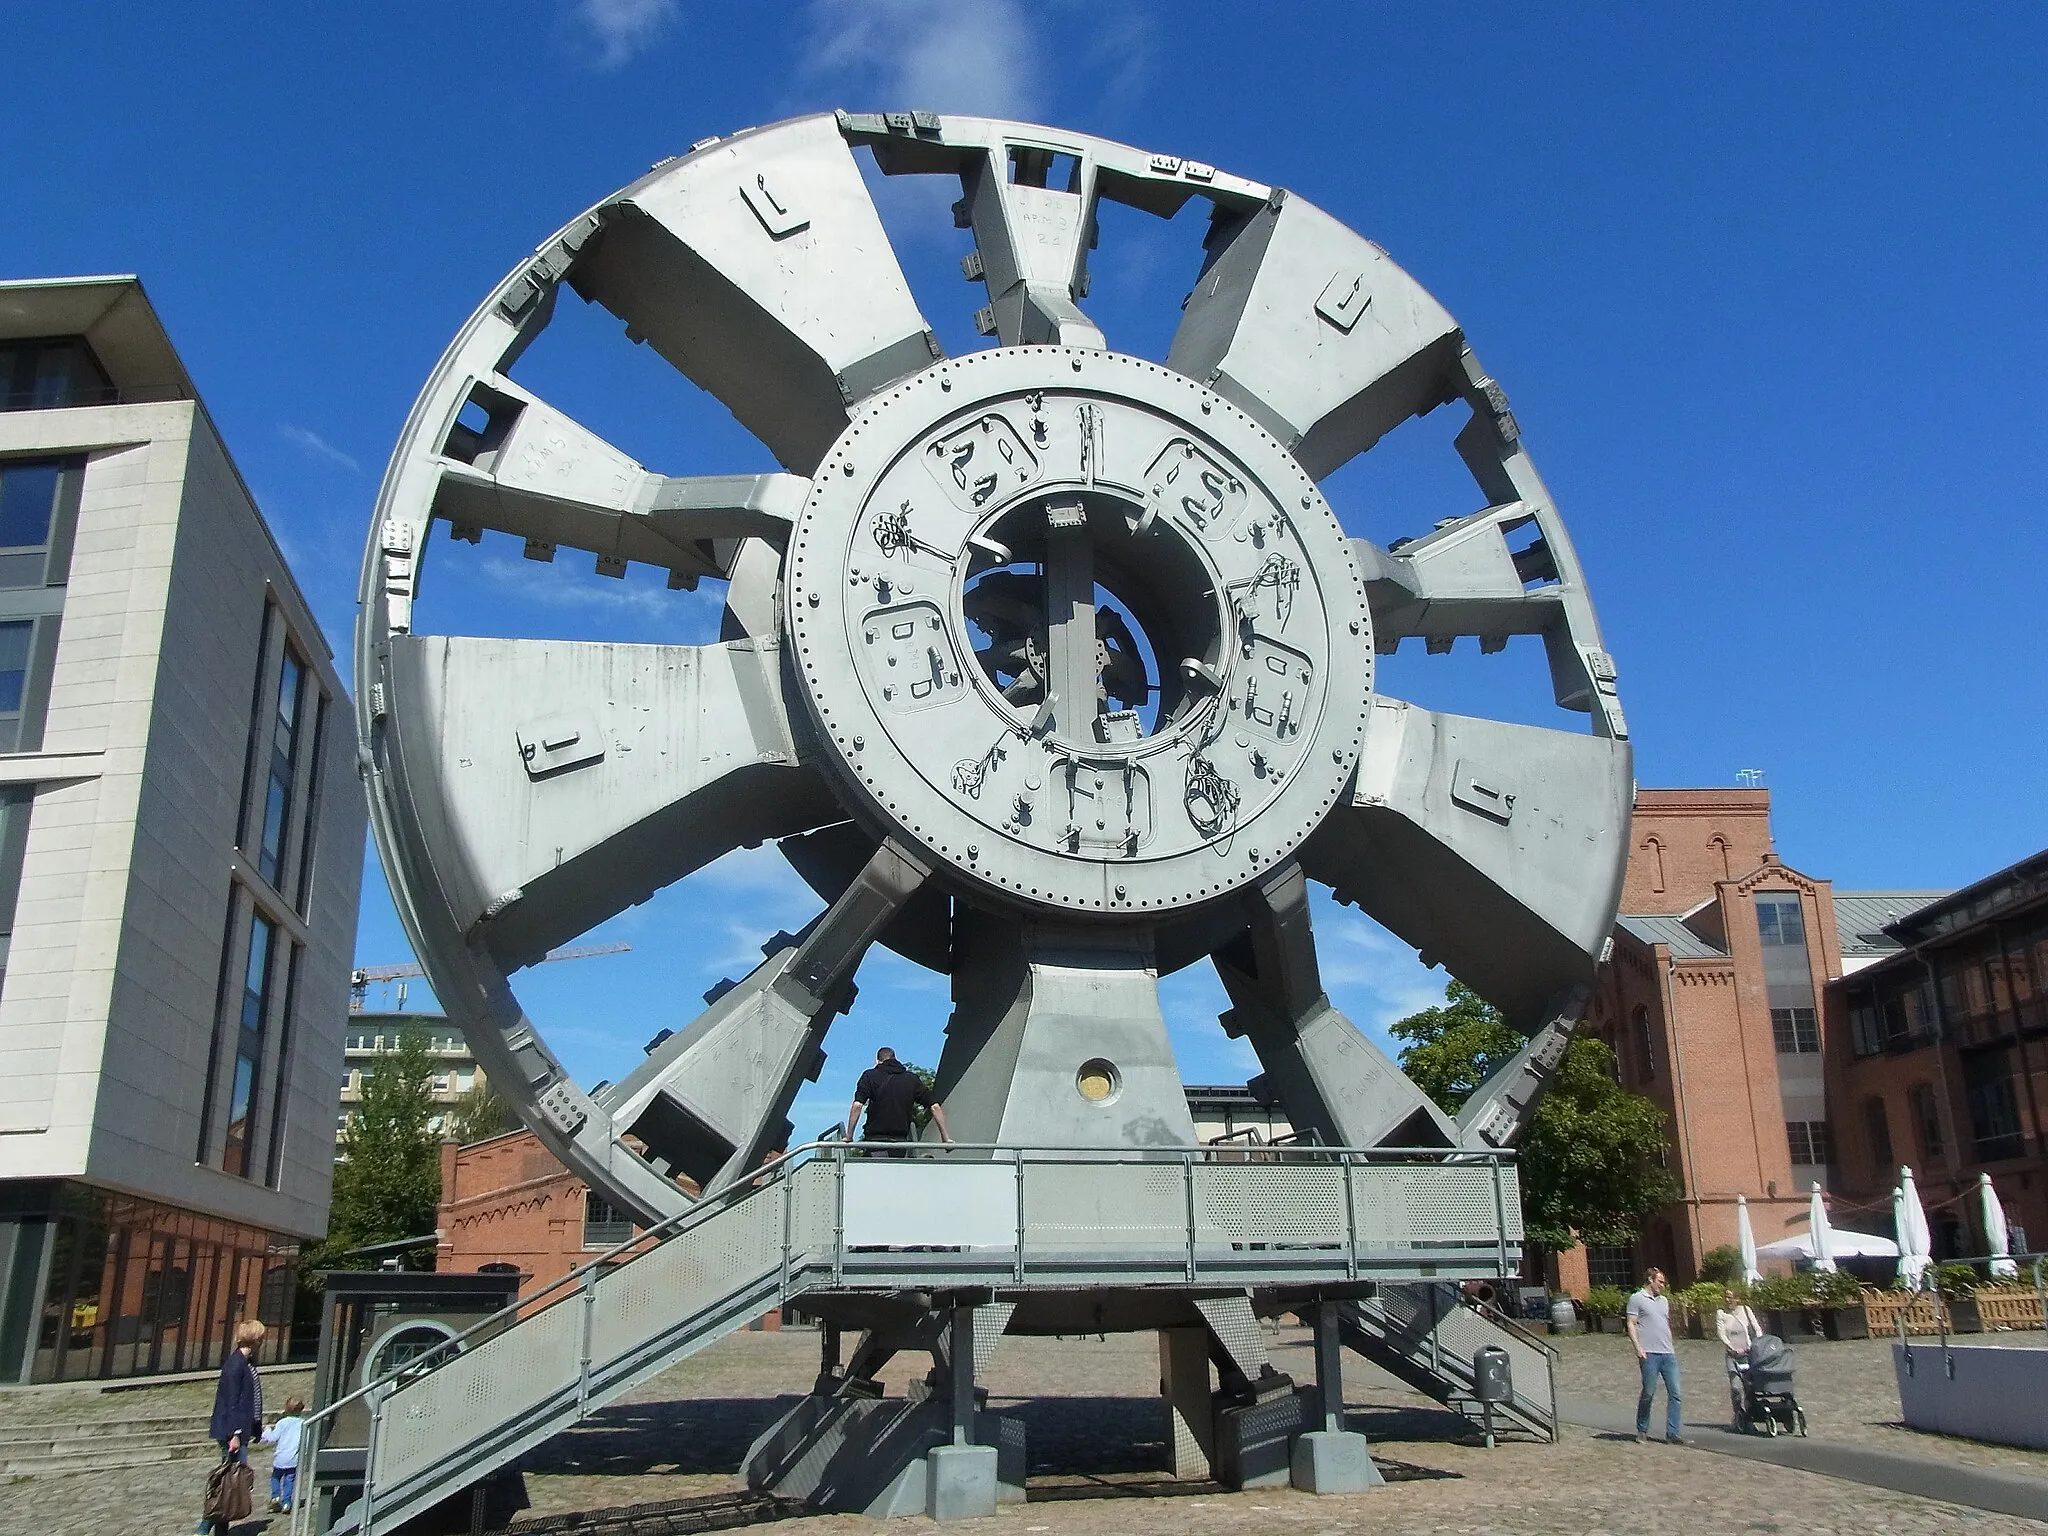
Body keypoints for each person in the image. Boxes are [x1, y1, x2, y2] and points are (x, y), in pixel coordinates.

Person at [201, 1320, 266, 1533]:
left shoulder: (248, 1363)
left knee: (232, 1482)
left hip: (242, 1429)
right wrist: (235, 1434)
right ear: (254, 1339)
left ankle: (218, 1529)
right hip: (232, 1431)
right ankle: (204, 1527)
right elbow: (231, 1402)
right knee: (228, 1483)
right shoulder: (235, 1364)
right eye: (260, 1337)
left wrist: (256, 1427)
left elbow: (251, 1398)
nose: (262, 1341)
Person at [845, 1047, 952, 1148]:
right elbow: (934, 1107)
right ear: (895, 1058)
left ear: (877, 1061)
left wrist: (849, 1136)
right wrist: (945, 1138)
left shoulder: (869, 1076)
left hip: (875, 1140)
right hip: (901, 1141)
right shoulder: (911, 1079)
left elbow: (857, 1105)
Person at [1625, 1267, 1683, 1444]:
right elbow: (1631, 1323)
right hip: (1649, 1353)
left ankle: (1672, 1433)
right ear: (1650, 1280)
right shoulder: (1637, 1299)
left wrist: (1671, 1345)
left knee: (1676, 1393)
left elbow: (1665, 1324)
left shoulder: (1664, 1301)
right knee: (1648, 1393)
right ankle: (1642, 1429)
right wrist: (1638, 1347)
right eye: (1660, 1281)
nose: (1663, 1285)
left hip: (1667, 1353)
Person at [1715, 1288, 1765, 1426]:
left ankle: (1750, 1416)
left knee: (1750, 1387)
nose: (1727, 1300)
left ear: (1737, 1299)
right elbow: (1721, 1333)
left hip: (1748, 1355)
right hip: (1733, 1355)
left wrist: (1754, 1344)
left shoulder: (1746, 1311)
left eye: (1730, 1297)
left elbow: (1757, 1328)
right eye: (1725, 1297)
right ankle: (1738, 1415)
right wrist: (1731, 1347)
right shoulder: (1721, 1314)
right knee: (1736, 1387)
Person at [261, 1395, 307, 1513]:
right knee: (289, 1480)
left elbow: (273, 1438)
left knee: (275, 1477)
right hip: (294, 1458)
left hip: (281, 1458)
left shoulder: (282, 1423)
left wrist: (266, 1430)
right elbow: (306, 1442)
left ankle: (276, 1496)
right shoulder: (304, 1424)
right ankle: (287, 1502)